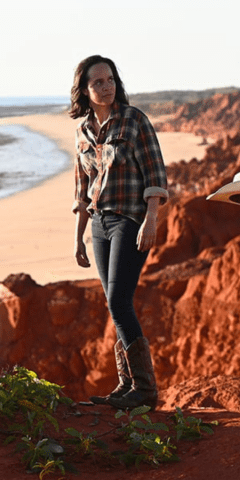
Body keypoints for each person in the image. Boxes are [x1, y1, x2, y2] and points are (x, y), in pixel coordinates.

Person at [69, 55, 168, 410]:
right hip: (98, 224)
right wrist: (78, 237)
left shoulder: (134, 120)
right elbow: (81, 190)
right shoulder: (82, 132)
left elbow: (156, 174)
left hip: (130, 219)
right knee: (115, 304)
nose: (106, 86)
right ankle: (127, 386)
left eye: (110, 79)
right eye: (98, 82)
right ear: (84, 89)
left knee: (118, 300)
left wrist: (151, 220)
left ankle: (144, 388)